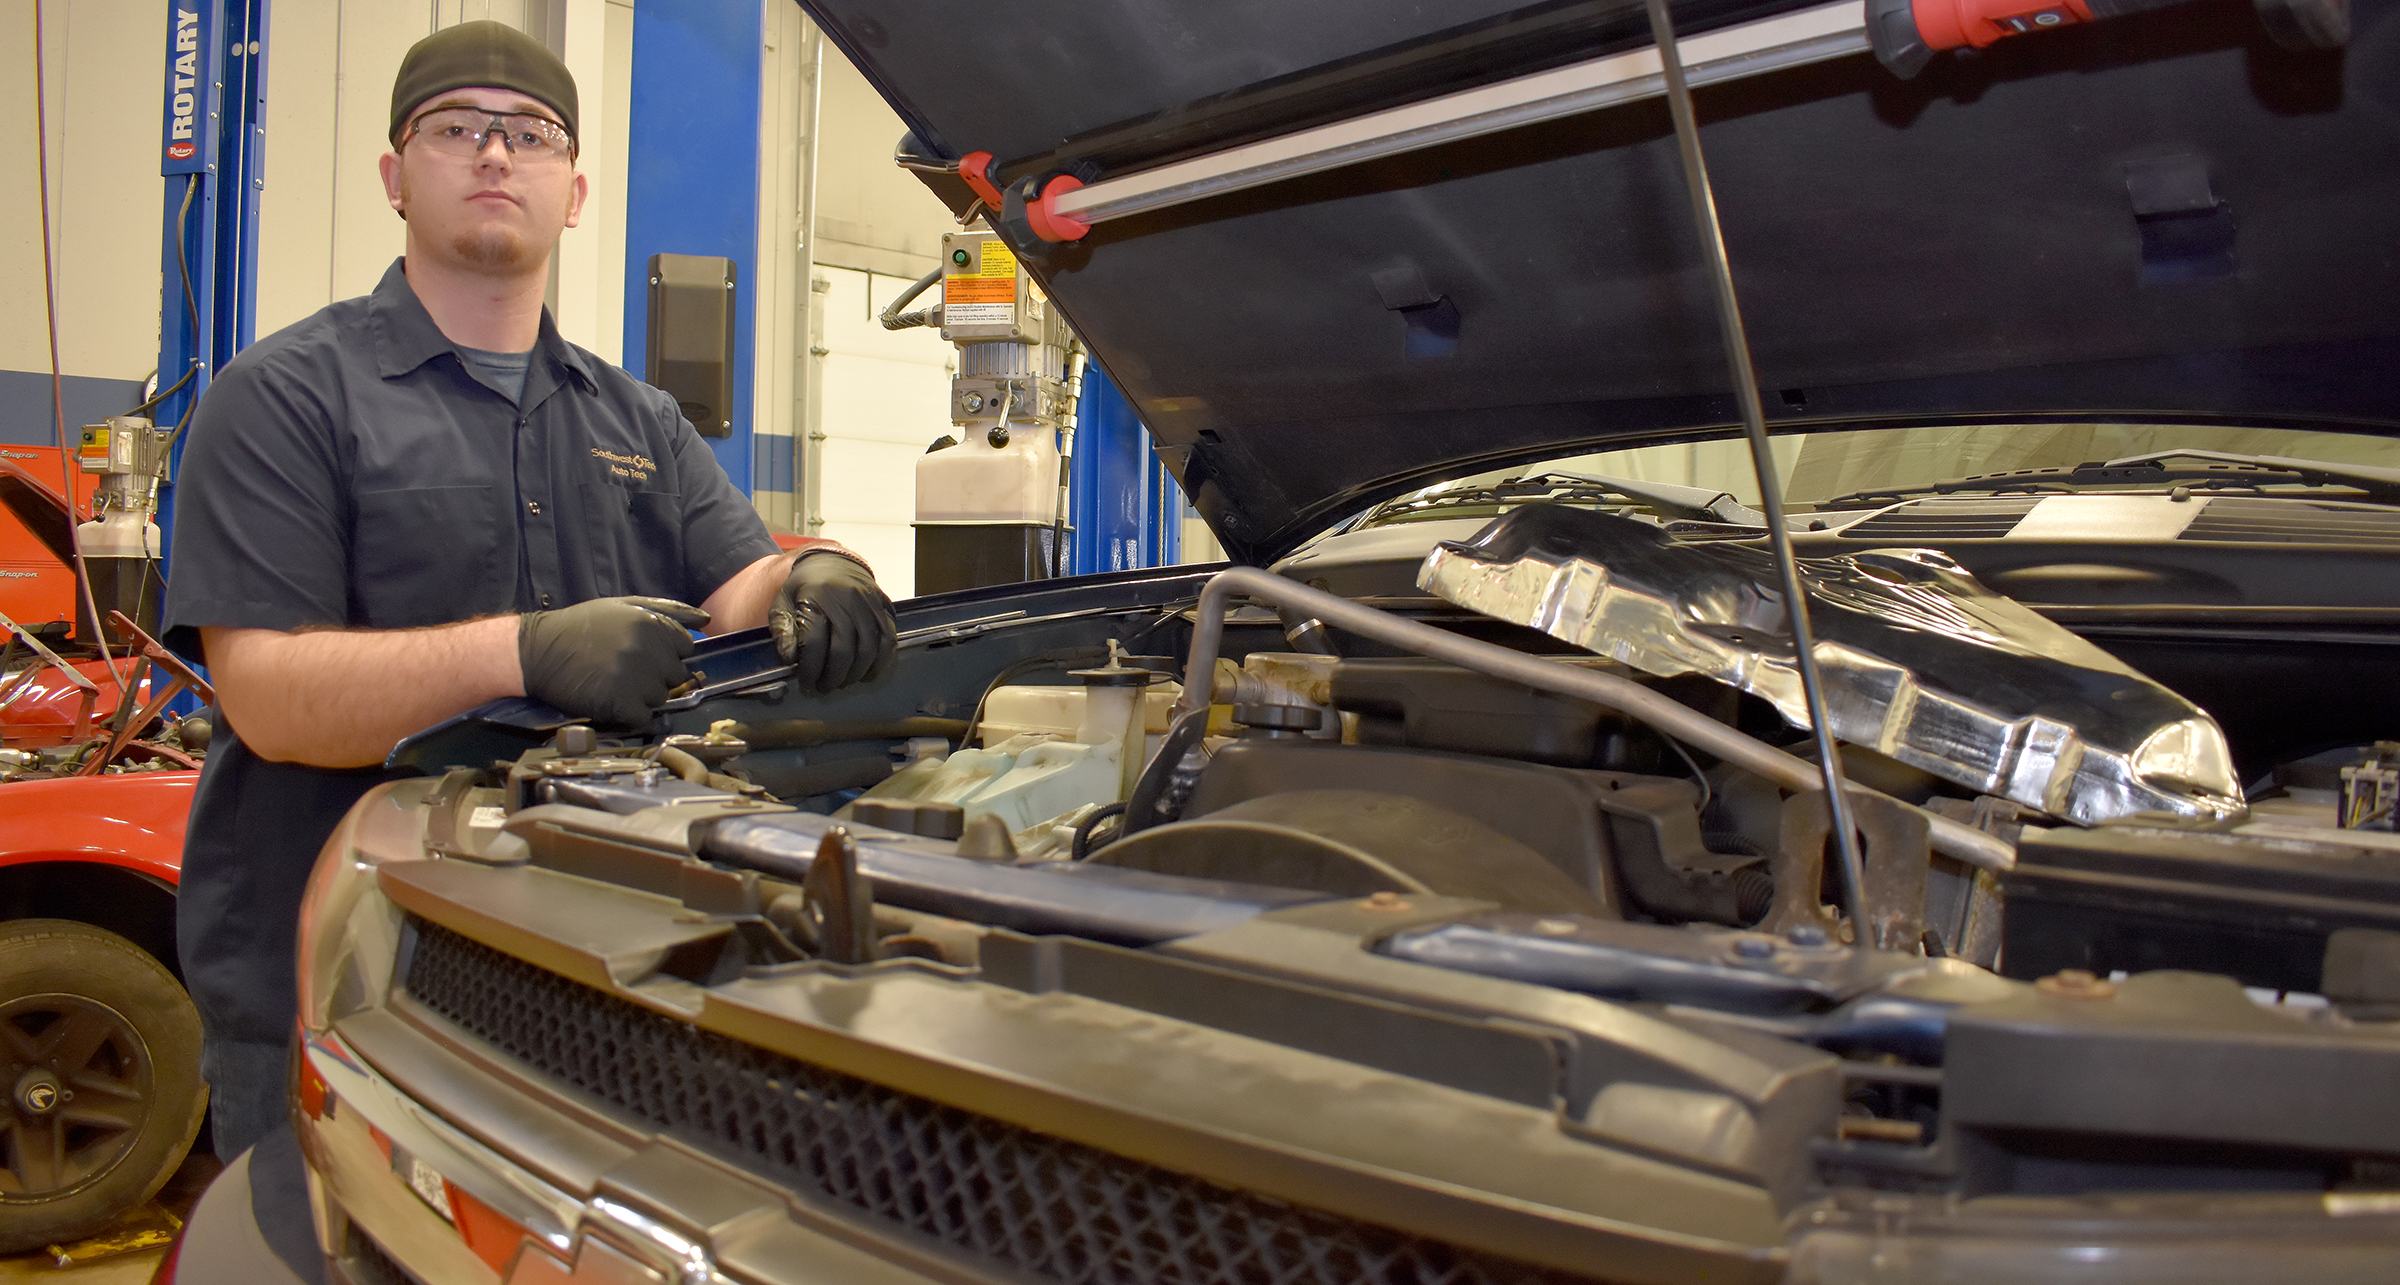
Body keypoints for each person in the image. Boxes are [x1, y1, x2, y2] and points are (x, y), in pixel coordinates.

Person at [161, 21, 896, 1158]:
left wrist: (814, 570)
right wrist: (523, 652)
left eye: (531, 134)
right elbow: (265, 695)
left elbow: (741, 579)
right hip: (344, 994)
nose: (497, 155)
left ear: (576, 190)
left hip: (589, 992)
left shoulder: (636, 419)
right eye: (457, 129)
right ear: (396, 179)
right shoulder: (283, 398)